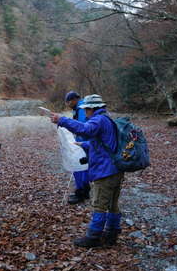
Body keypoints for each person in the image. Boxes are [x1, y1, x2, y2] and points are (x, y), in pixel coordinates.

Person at [51, 94, 124, 248]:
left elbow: (84, 129)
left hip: (105, 171)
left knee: (98, 204)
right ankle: (112, 233)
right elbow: (103, 144)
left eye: (86, 109)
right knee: (112, 204)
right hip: (116, 169)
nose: (86, 112)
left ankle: (93, 237)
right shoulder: (107, 119)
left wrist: (62, 120)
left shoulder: (98, 120)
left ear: (92, 108)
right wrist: (84, 145)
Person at [64, 91, 91, 205]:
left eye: (68, 101)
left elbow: (82, 127)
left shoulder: (81, 109)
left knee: (80, 167)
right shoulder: (81, 107)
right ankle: (84, 191)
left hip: (85, 143)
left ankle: (81, 192)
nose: (67, 104)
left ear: (74, 99)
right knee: (83, 167)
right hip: (86, 142)